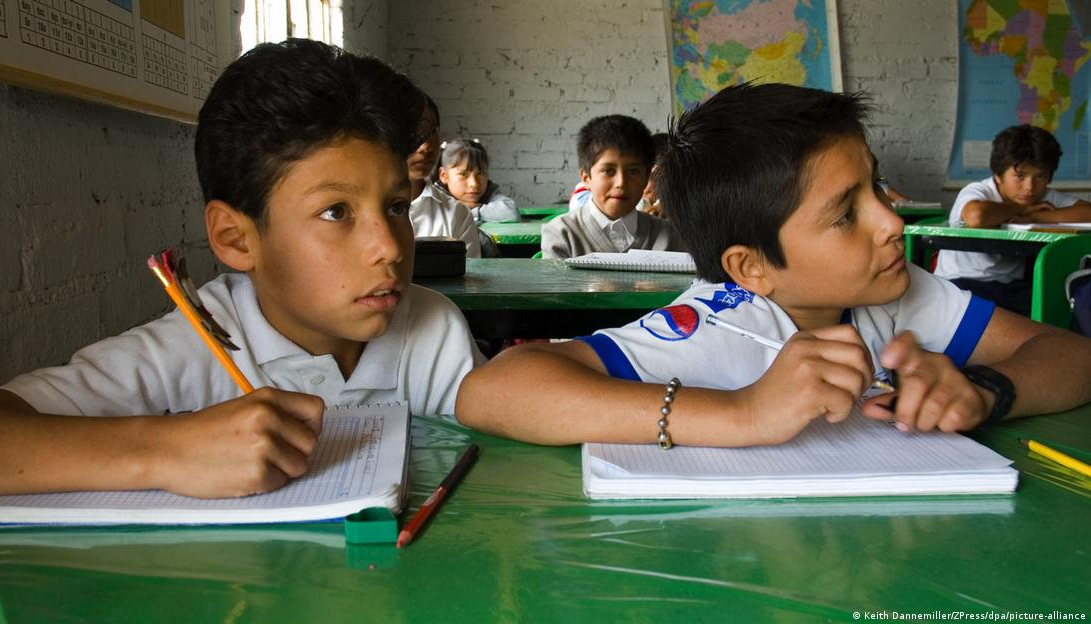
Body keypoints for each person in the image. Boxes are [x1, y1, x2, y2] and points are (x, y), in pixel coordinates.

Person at [457, 83, 1091, 447]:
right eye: (846, 214)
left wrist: (984, 390)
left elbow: (1070, 355)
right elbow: (493, 390)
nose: (892, 223)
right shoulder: (716, 324)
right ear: (750, 267)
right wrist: (742, 413)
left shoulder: (898, 295)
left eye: (876, 187)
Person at [0, 39, 484, 497]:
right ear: (235, 238)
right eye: (336, 212)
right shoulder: (195, 345)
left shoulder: (429, 327)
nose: (389, 248)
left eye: (397, 207)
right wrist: (166, 450)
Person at [935, 124, 1091, 315]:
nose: (1030, 187)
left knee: (1059, 308)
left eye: (1040, 176)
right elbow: (976, 216)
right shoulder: (979, 191)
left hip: (1011, 287)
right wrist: (1021, 208)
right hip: (962, 283)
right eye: (1020, 176)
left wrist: (1036, 216)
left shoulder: (1042, 197)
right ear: (998, 175)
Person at [543, 115, 684, 259]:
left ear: (646, 177)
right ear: (586, 177)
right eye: (608, 171)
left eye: (633, 171)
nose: (621, 182)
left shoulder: (669, 236)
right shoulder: (562, 234)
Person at [406, 98, 481, 257]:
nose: (426, 146)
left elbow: (470, 280)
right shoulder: (360, 212)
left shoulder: (457, 215)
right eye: (413, 131)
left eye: (433, 131)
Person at [434, 138, 519, 223]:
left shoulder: (489, 192)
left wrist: (472, 208)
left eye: (480, 174)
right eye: (463, 174)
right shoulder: (432, 199)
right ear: (444, 176)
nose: (474, 184)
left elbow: (510, 212)